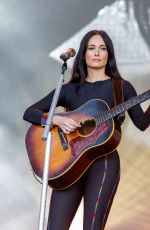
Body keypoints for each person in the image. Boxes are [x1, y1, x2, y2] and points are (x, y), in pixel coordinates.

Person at [23, 30, 150, 230]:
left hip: (104, 163)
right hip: (68, 165)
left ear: (109, 54)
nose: (97, 53)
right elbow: (29, 113)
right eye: (91, 48)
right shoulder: (69, 89)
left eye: (102, 48)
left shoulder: (121, 87)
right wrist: (56, 120)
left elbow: (142, 123)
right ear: (83, 54)